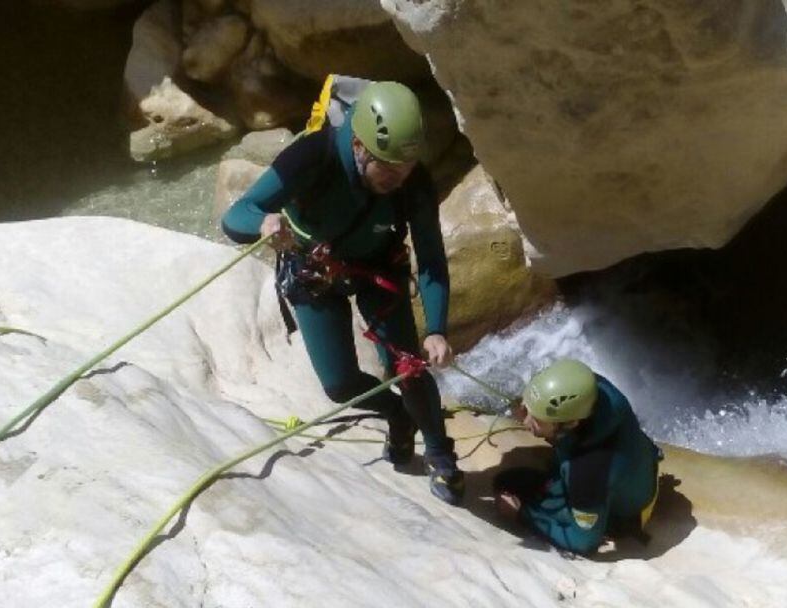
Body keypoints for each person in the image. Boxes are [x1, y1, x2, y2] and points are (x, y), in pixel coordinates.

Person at [221, 81, 464, 504]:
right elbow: (236, 215)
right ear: (359, 146)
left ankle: (441, 454)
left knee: (408, 368)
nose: (398, 179)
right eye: (388, 170)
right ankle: (396, 416)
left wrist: (437, 329)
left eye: (405, 169)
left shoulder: (412, 180)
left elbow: (430, 259)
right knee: (338, 384)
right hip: (313, 271)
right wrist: (262, 223)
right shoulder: (313, 154)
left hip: (378, 270)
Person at [494, 359, 661, 553]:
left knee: (505, 483)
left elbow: (583, 541)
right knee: (512, 480)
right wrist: (531, 407)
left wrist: (521, 515)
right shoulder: (595, 389)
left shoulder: (587, 470)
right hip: (638, 469)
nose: (526, 420)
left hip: (626, 512)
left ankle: (612, 525)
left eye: (536, 418)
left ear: (570, 424)